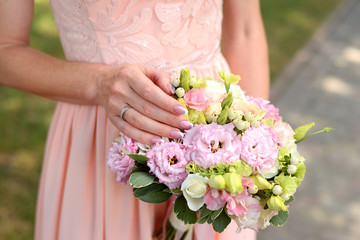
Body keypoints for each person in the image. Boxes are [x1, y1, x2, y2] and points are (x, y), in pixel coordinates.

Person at [0, 0, 269, 239]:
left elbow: (245, 31)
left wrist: (251, 140)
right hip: (103, 136)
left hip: (218, 136)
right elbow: (6, 48)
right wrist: (99, 83)